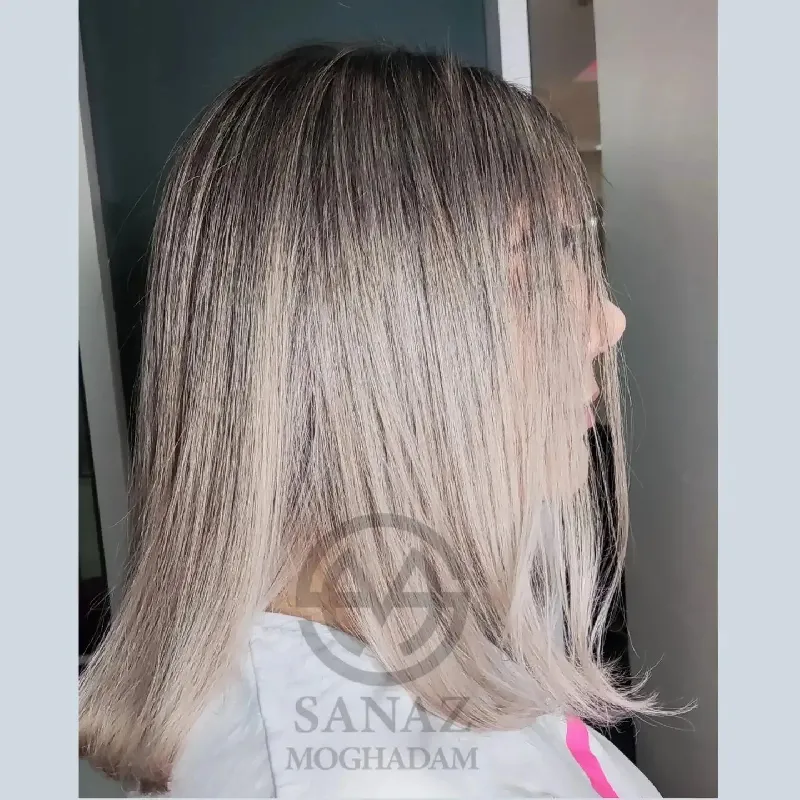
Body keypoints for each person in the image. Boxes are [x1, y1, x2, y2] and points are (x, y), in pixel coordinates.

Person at [79, 44, 665, 797]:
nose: (607, 322)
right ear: (363, 338)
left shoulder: (373, 658)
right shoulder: (367, 773)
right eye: (536, 262)